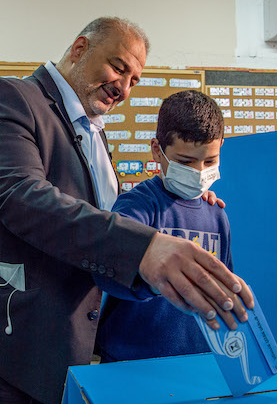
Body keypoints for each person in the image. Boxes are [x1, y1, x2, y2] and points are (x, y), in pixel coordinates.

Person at [0, 17, 253, 404]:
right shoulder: (9, 97)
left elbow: (101, 218)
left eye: (134, 80)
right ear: (79, 49)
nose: (123, 87)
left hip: (65, 349)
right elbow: (21, 196)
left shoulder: (94, 133)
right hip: (5, 346)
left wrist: (183, 202)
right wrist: (146, 247)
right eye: (118, 67)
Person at [95, 89, 236, 362]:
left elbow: (222, 288)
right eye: (185, 161)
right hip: (132, 360)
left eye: (209, 161)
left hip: (199, 358)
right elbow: (109, 276)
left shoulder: (217, 214)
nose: (198, 172)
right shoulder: (135, 208)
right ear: (157, 150)